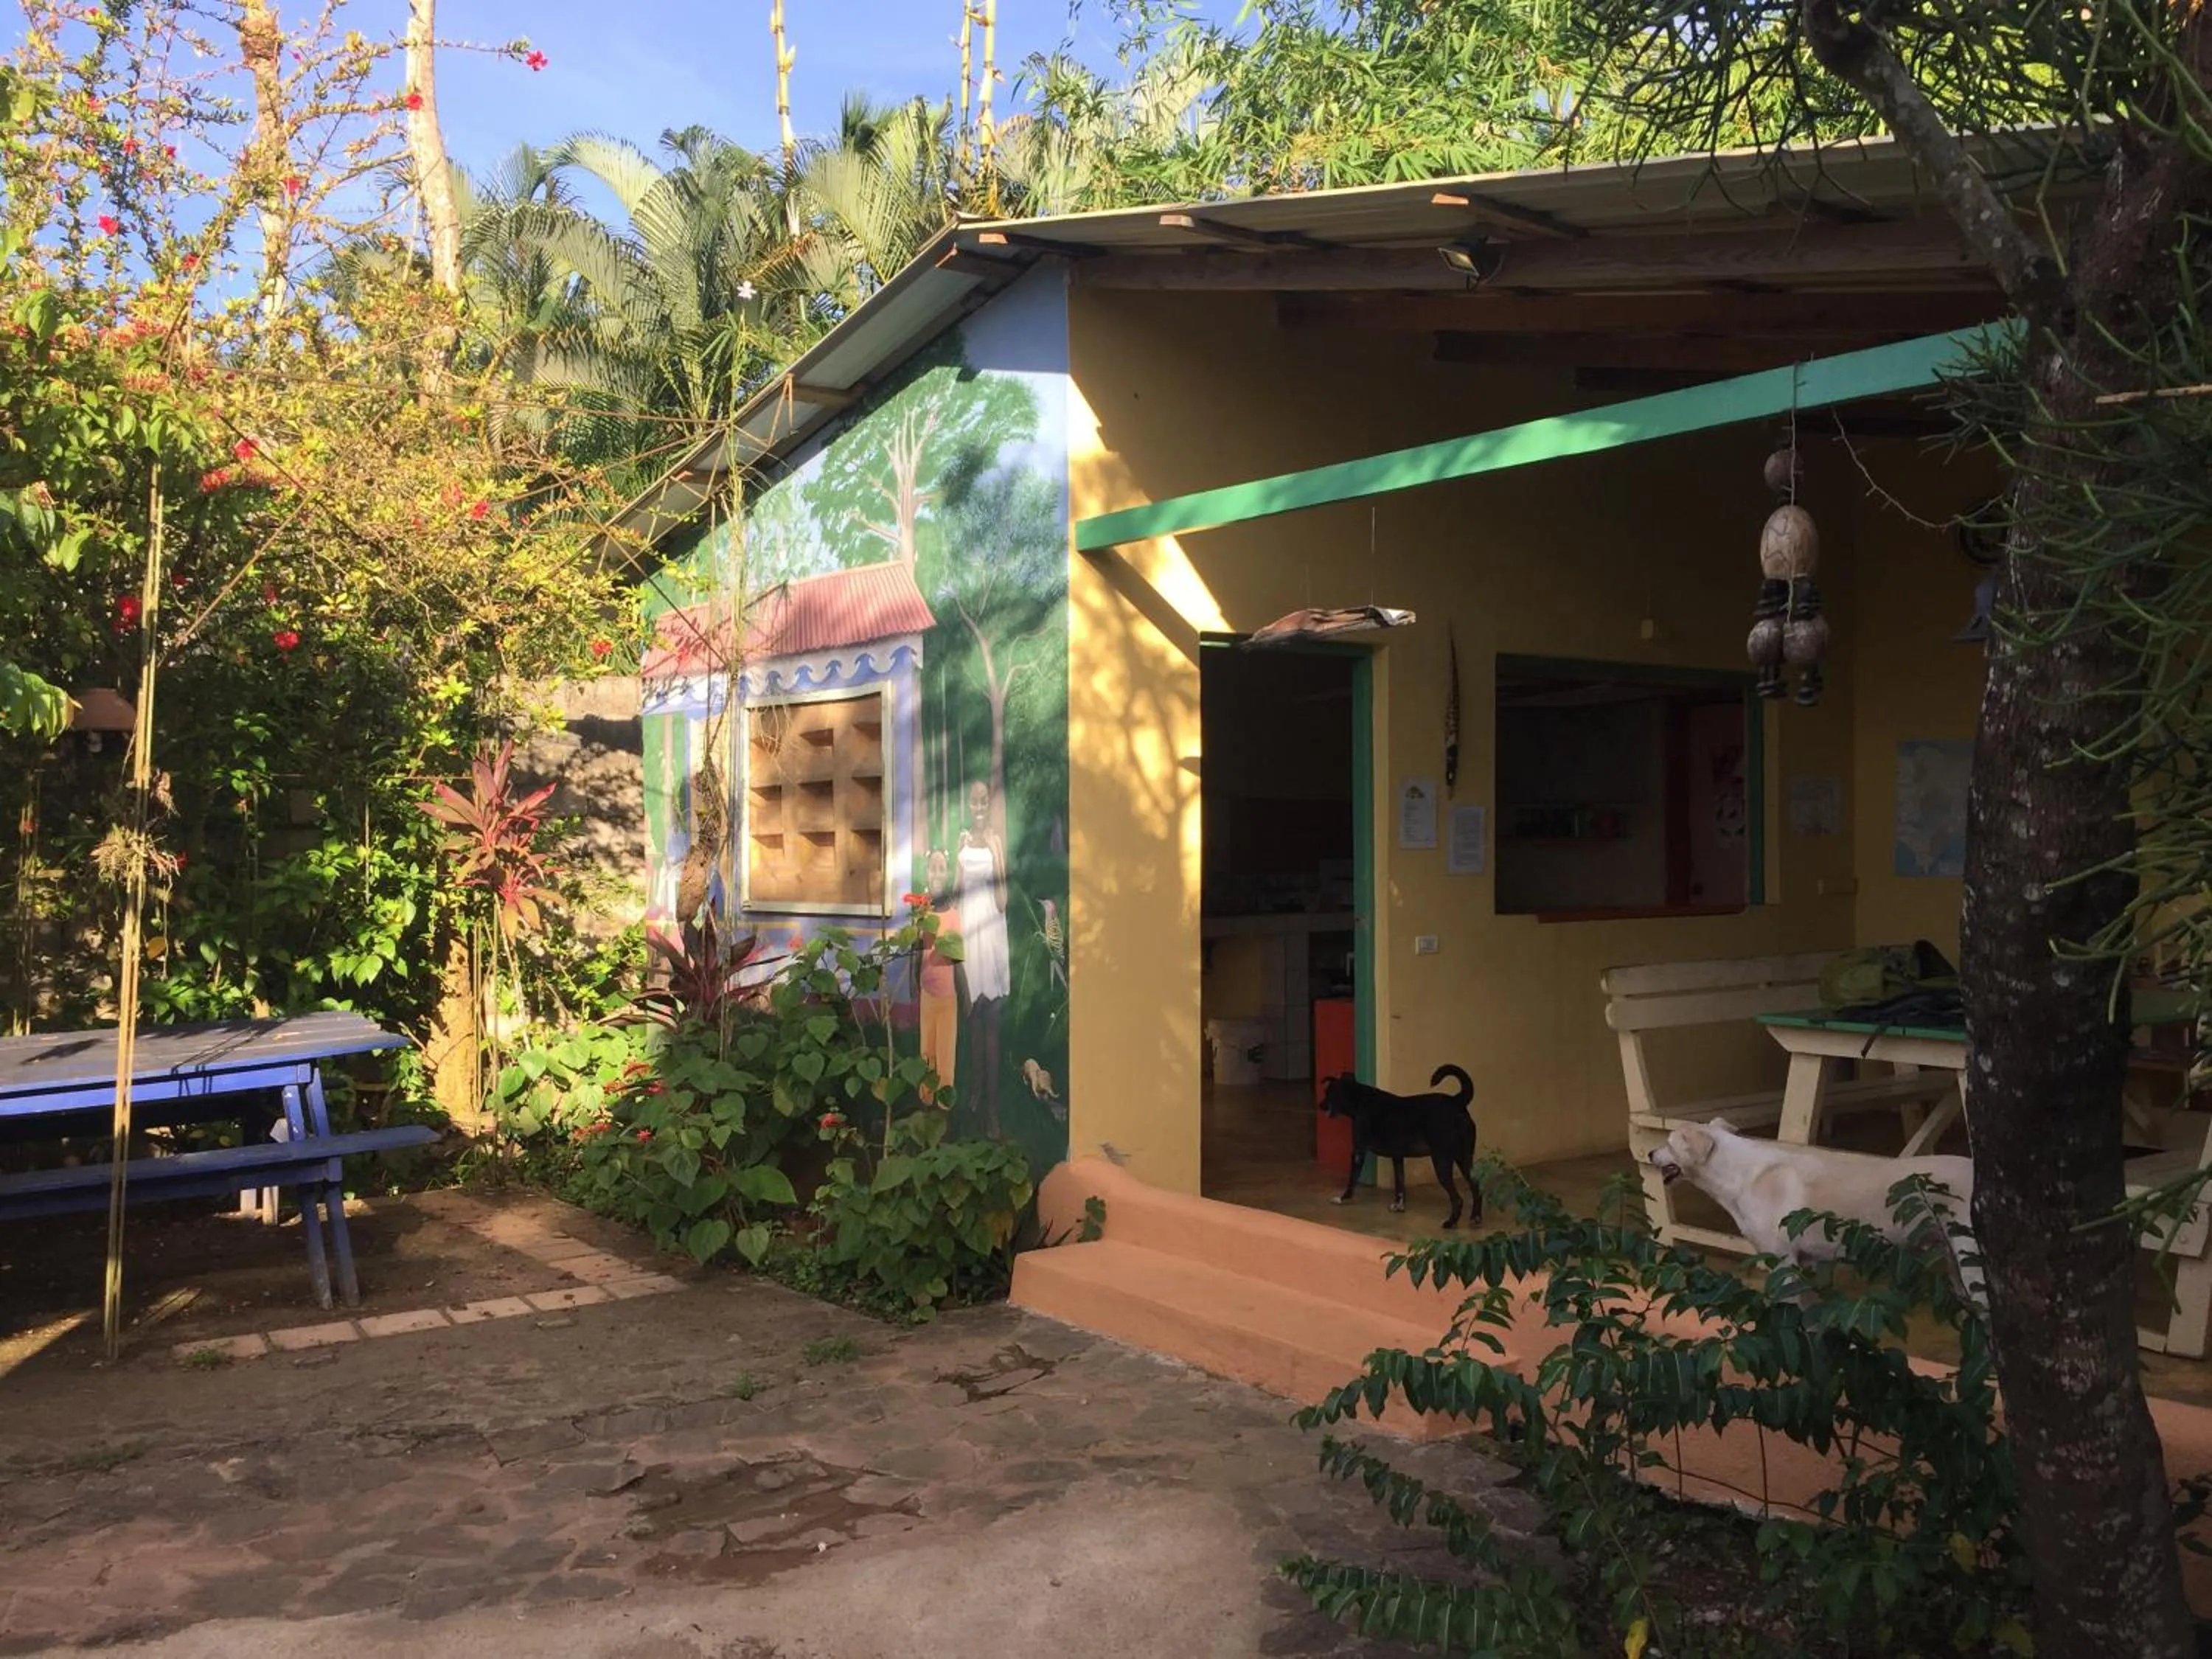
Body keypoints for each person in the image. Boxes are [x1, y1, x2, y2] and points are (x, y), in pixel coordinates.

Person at [955, 779, 1010, 1136]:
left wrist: (997, 854)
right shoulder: (961, 843)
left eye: (983, 800)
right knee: (972, 1016)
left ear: (988, 805)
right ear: (967, 804)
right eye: (973, 800)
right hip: (969, 933)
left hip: (990, 931)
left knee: (990, 1018)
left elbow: (1003, 901)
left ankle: (992, 1107)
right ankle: (974, 1090)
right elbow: (958, 896)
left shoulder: (995, 842)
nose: (978, 806)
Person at [917, 849, 962, 1102]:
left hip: (947, 998)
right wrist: (915, 984)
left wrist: (963, 995)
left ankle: (944, 1108)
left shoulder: (953, 915)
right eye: (932, 867)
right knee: (926, 1052)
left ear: (948, 874)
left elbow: (958, 960)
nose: (936, 872)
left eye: (941, 867)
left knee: (946, 1055)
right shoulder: (922, 913)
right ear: (926, 872)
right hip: (927, 995)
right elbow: (917, 950)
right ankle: (926, 1102)